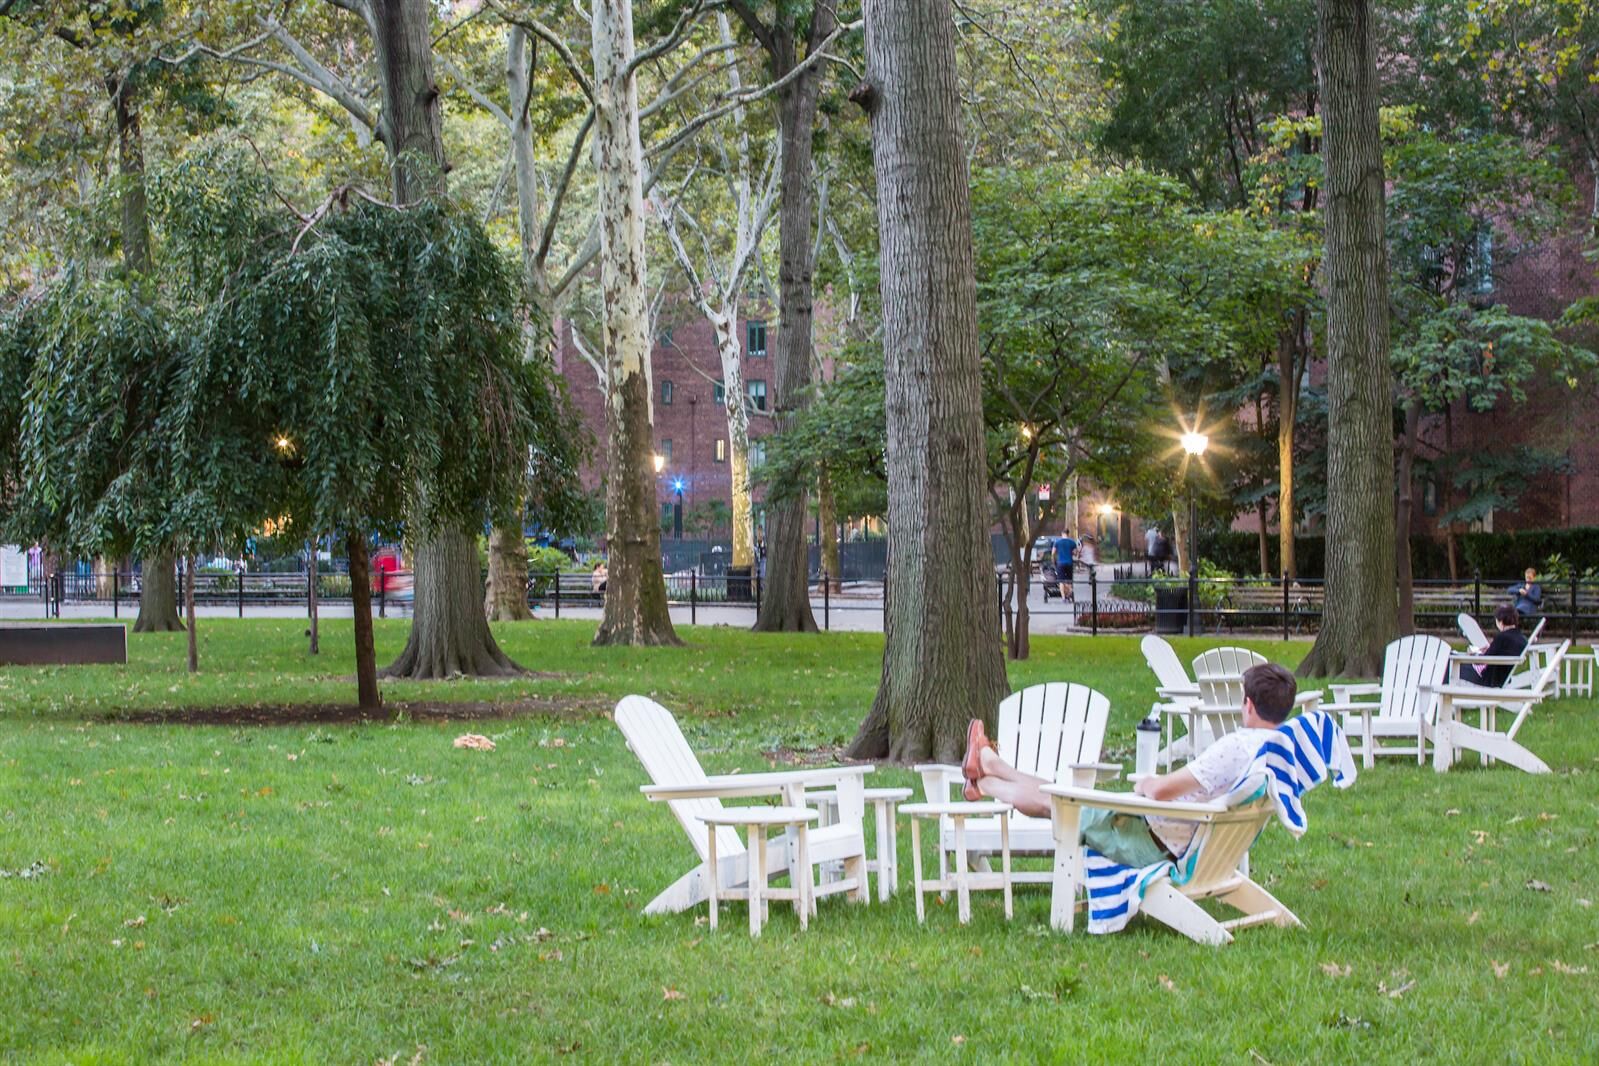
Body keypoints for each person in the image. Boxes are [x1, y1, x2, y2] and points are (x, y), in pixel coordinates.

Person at [959, 663, 1298, 866]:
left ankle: (985, 781)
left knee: (1057, 803)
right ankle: (991, 766)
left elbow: (1163, 791)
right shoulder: (1278, 750)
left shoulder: (1236, 747)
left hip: (1152, 839)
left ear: (1248, 705)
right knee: (1063, 794)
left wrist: (1147, 783)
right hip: (1180, 835)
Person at [1463, 604, 1527, 687]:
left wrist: (1473, 655)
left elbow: (1483, 661)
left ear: (1500, 622)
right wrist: (1488, 650)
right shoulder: (1522, 639)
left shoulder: (1502, 637)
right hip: (1504, 678)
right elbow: (1500, 653)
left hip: (1490, 679)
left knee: (1451, 665)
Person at [1052, 530, 1078, 598]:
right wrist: (1071, 552)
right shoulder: (1072, 542)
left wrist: (1054, 561)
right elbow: (1075, 553)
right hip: (1069, 563)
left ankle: (1063, 597)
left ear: (1062, 533)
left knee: (1061, 581)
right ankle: (1069, 593)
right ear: (1068, 534)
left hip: (1060, 563)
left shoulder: (1057, 542)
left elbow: (1053, 553)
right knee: (1069, 580)